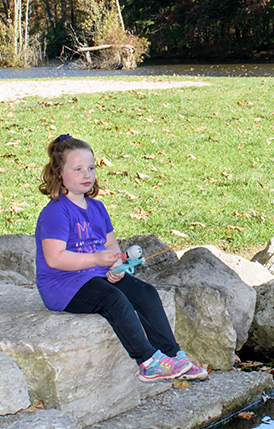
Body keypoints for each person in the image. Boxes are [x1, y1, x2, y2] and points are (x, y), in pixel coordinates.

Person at [35, 134, 208, 382]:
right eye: (78, 169)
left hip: (98, 274)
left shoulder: (97, 208)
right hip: (64, 286)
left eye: (91, 168)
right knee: (114, 299)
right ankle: (148, 361)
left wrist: (117, 266)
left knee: (145, 292)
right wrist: (96, 260)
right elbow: (55, 259)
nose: (87, 175)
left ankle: (173, 355)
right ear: (59, 173)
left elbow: (110, 245)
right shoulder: (56, 212)